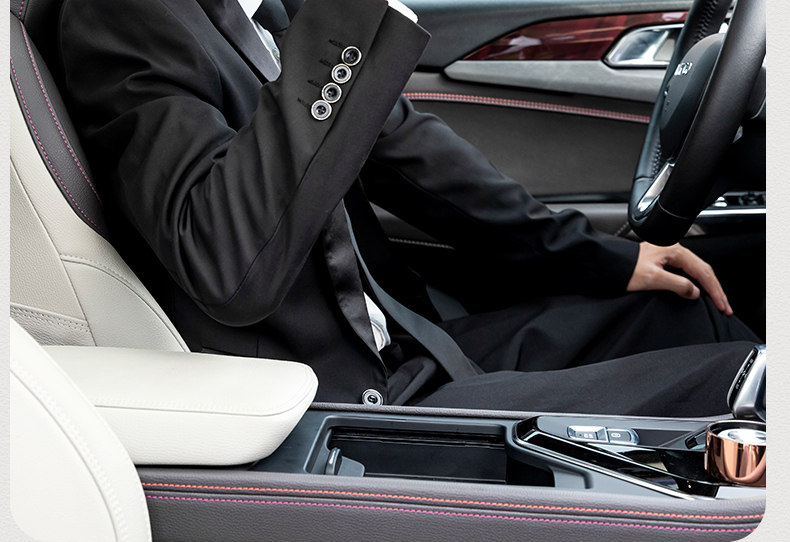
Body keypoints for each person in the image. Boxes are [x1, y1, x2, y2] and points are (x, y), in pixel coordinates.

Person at [57, 0, 758, 416]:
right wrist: (346, 19)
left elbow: (418, 161)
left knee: (686, 311)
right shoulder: (124, 14)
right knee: (749, 390)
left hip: (415, 344)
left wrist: (608, 259)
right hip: (341, 404)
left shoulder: (262, 10)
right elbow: (225, 260)